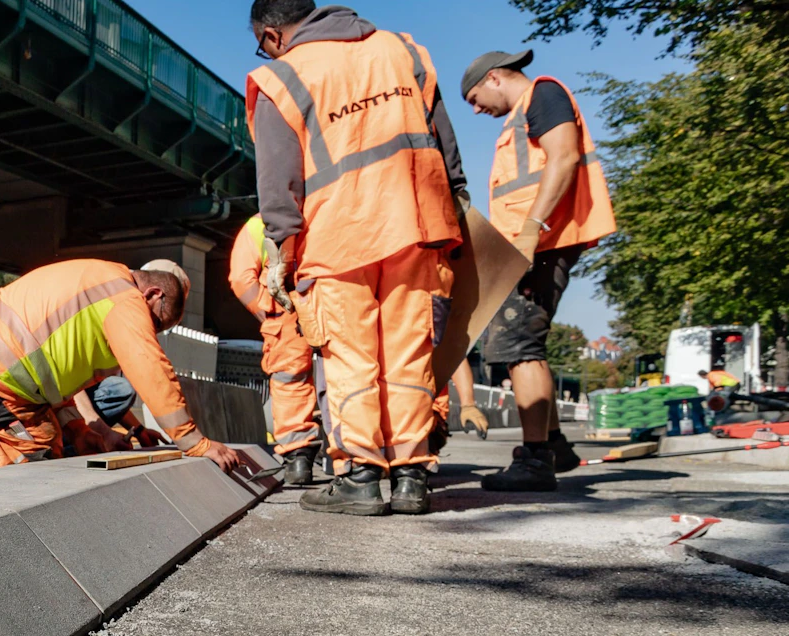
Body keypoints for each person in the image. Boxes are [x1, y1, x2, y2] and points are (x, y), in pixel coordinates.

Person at [246, 0, 465, 515]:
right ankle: (412, 478)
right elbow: (442, 139)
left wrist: (282, 247)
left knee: (352, 359)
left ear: (273, 35)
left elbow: (279, 179)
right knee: (409, 354)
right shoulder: (401, 49)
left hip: (336, 238)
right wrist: (454, 202)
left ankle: (360, 477)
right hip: (416, 223)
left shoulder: (281, 76)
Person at [0, 259, 245, 480]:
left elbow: (51, 377)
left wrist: (84, 430)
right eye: (156, 324)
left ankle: (52, 437)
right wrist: (195, 443)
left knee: (60, 434)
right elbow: (150, 367)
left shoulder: (97, 277)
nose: (149, 331)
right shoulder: (126, 301)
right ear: (152, 294)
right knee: (43, 450)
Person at [464, 49, 617, 491]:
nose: (476, 109)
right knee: (523, 337)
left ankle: (535, 461)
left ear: (495, 77)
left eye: (475, 97)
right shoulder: (523, 112)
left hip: (542, 242)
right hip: (536, 244)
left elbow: (564, 157)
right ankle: (554, 446)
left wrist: (530, 231)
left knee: (517, 343)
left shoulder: (541, 95)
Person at [229, 214, 321, 484]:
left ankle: (298, 459)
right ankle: (358, 458)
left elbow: (240, 278)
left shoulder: (260, 221)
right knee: (346, 371)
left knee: (290, 376)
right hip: (333, 298)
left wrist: (268, 312)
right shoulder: (329, 203)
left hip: (286, 304)